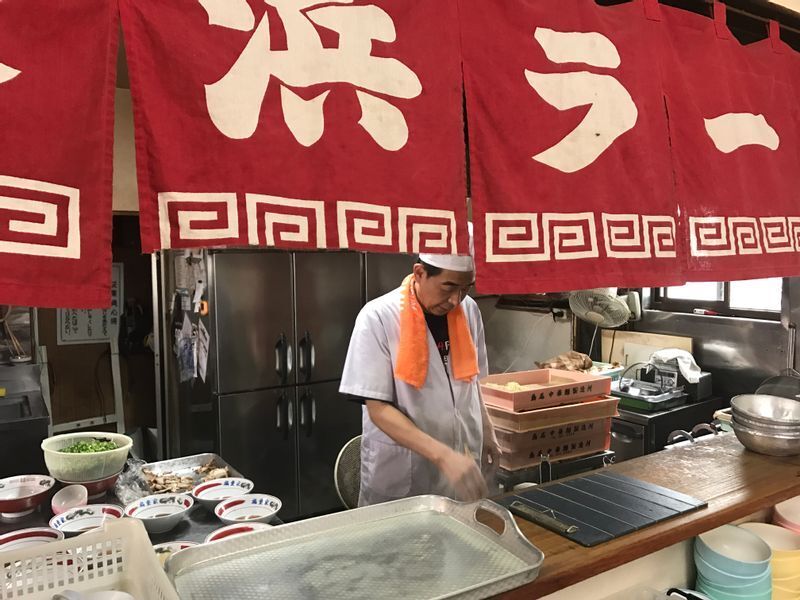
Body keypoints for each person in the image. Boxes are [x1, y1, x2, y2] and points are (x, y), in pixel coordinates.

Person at [340, 228, 500, 506]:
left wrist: (488, 432)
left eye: (465, 289)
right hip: (403, 476)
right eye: (448, 287)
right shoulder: (378, 317)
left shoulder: (469, 311)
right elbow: (378, 410)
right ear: (419, 273)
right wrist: (443, 455)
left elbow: (473, 382)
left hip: (458, 472)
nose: (455, 300)